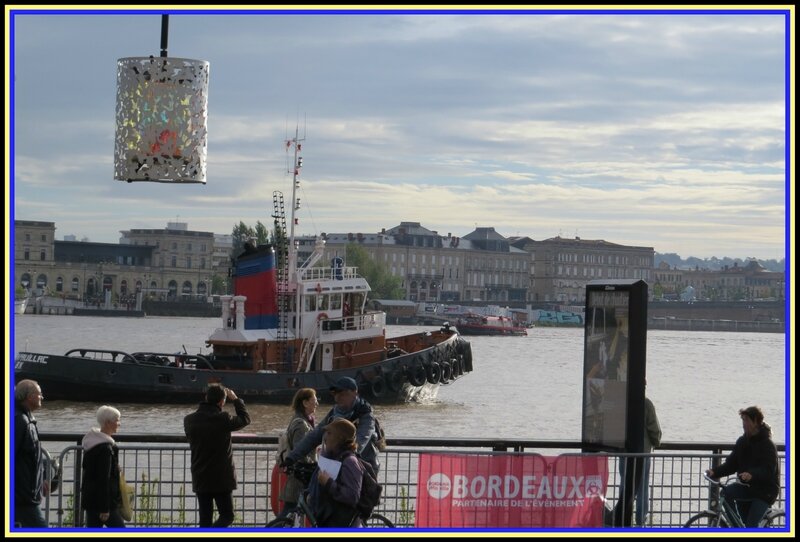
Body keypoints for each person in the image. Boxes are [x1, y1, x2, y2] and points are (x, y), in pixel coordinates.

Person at [184, 385, 251, 528]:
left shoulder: (189, 420)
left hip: (200, 475)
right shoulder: (224, 418)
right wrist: (236, 399)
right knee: (227, 516)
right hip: (222, 478)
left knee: (205, 519)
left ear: (206, 398)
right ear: (222, 402)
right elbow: (245, 419)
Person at [284, 376, 380, 474]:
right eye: (335, 394)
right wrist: (291, 457)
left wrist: (340, 459)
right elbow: (314, 435)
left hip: (363, 468)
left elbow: (359, 442)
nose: (337, 398)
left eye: (342, 394)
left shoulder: (365, 415)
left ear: (355, 392)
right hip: (338, 466)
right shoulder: (334, 413)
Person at [706, 406, 780, 527]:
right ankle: (736, 527)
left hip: (765, 492)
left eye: (746, 420)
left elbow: (768, 470)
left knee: (751, 525)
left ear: (756, 421)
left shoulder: (767, 444)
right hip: (747, 487)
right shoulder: (742, 441)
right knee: (726, 493)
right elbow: (731, 464)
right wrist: (714, 472)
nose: (743, 424)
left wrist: (752, 475)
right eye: (743, 420)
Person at [306, 419, 363, 527]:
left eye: (329, 433)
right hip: (329, 521)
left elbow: (353, 496)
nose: (325, 437)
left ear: (340, 438)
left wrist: (328, 483)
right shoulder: (333, 457)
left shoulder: (350, 462)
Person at [617, 391, 662, 526]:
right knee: (642, 488)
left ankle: (623, 517)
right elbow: (654, 428)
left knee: (625, 484)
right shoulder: (646, 404)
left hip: (624, 451)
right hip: (642, 452)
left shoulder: (621, 403)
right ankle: (641, 521)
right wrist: (656, 442)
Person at [81, 406, 125, 527]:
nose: (119, 424)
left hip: (92, 500)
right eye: (117, 420)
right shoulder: (105, 449)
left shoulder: (92, 444)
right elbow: (103, 479)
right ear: (108, 423)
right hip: (104, 503)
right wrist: (105, 508)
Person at [278, 388, 318, 517]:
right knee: (289, 511)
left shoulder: (302, 420)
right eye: (314, 401)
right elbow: (299, 449)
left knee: (290, 511)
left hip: (298, 474)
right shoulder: (301, 424)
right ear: (305, 403)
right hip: (300, 476)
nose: (317, 404)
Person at [14, 379, 49, 527]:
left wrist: (42, 479)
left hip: (26, 496)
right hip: (22, 499)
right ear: (29, 397)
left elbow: (31, 457)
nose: (42, 397)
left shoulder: (26, 420)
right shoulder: (20, 421)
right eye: (39, 394)